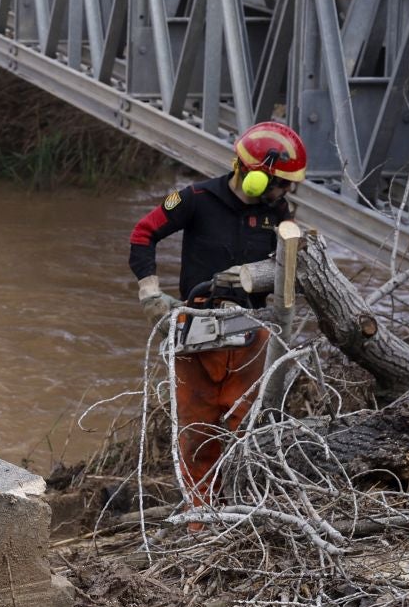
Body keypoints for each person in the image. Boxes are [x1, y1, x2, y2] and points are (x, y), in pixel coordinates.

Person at [128, 120, 306, 504]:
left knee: (247, 426)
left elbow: (293, 268)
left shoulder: (279, 215)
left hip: (251, 332)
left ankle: (245, 503)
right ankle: (201, 511)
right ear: (254, 174)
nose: (286, 190)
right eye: (282, 181)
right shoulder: (194, 198)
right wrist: (150, 293)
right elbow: (144, 233)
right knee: (196, 428)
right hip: (196, 328)